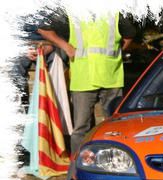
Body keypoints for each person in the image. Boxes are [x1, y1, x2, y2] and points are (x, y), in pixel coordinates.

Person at [37, 11, 136, 154]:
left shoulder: (114, 13)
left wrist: (117, 52)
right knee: (82, 128)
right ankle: (78, 164)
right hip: (86, 78)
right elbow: (43, 29)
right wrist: (66, 47)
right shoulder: (71, 14)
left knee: (114, 126)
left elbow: (129, 34)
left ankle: (114, 162)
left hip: (110, 77)